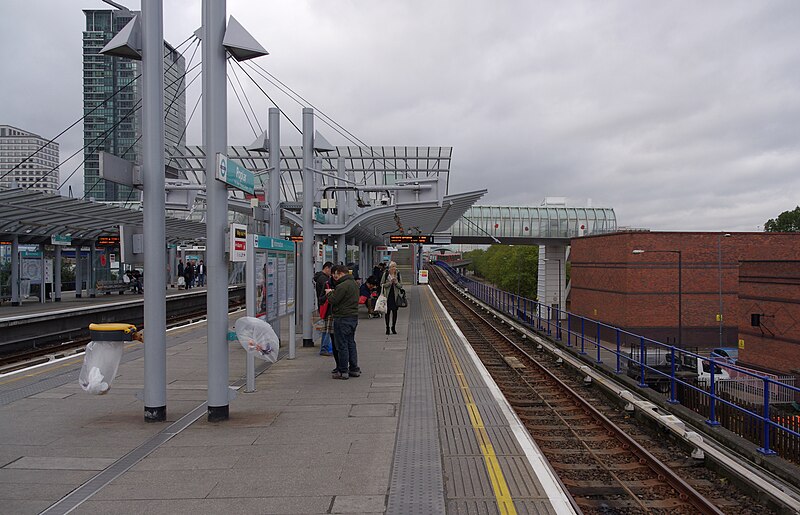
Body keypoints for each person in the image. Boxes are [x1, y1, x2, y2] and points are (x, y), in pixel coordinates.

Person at [326, 265, 360, 379]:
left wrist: (329, 293)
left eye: (336, 274)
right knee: (351, 343)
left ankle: (343, 371)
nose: (335, 277)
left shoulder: (342, 286)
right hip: (353, 317)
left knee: (342, 345)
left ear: (340, 273)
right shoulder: (355, 284)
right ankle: (354, 369)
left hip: (342, 318)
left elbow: (333, 300)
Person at [313, 262, 335, 359]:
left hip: (323, 305)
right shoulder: (324, 280)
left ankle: (325, 347)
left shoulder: (320, 278)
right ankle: (324, 348)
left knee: (326, 328)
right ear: (326, 268)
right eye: (331, 271)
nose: (332, 274)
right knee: (327, 329)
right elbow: (324, 295)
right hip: (326, 306)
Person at [380, 261, 404, 335]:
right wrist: (390, 283)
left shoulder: (398, 274)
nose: (394, 268)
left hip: (395, 296)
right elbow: (382, 284)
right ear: (389, 268)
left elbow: (401, 285)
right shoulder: (386, 274)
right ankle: (387, 327)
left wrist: (396, 282)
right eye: (392, 267)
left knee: (395, 312)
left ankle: (393, 327)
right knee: (387, 312)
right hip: (387, 296)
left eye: (395, 267)